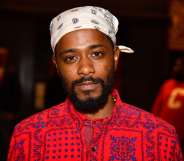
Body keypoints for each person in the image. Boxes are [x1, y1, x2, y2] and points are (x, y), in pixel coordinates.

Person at [8, 6, 183, 161]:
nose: (85, 68)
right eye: (71, 58)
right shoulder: (29, 136)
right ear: (57, 66)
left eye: (97, 54)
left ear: (115, 57)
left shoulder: (159, 137)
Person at [152, 55, 184, 156]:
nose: (177, 68)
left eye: (180, 65)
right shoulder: (167, 84)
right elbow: (156, 110)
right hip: (164, 134)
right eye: (176, 65)